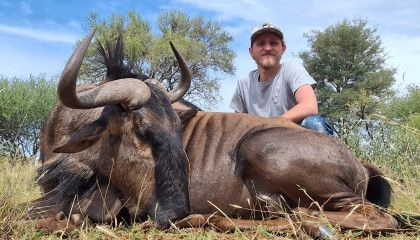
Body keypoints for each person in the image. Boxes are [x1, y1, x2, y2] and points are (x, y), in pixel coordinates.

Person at [230, 23, 333, 135]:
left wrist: (270, 125)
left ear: (283, 49)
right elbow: (237, 125)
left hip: (294, 139)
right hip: (259, 143)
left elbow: (310, 106)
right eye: (261, 44)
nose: (268, 48)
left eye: (274, 43)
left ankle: (330, 153)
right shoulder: (244, 83)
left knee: (314, 123)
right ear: (251, 52)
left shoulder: (292, 70)